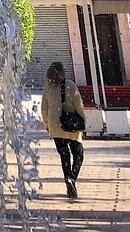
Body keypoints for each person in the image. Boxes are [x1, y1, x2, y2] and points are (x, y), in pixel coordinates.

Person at [40, 61, 86, 199]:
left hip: (56, 127)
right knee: (78, 155)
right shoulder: (70, 85)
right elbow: (79, 105)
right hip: (72, 127)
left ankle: (68, 181)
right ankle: (72, 179)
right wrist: (82, 121)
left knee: (64, 156)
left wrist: (47, 126)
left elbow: (44, 110)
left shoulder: (48, 88)